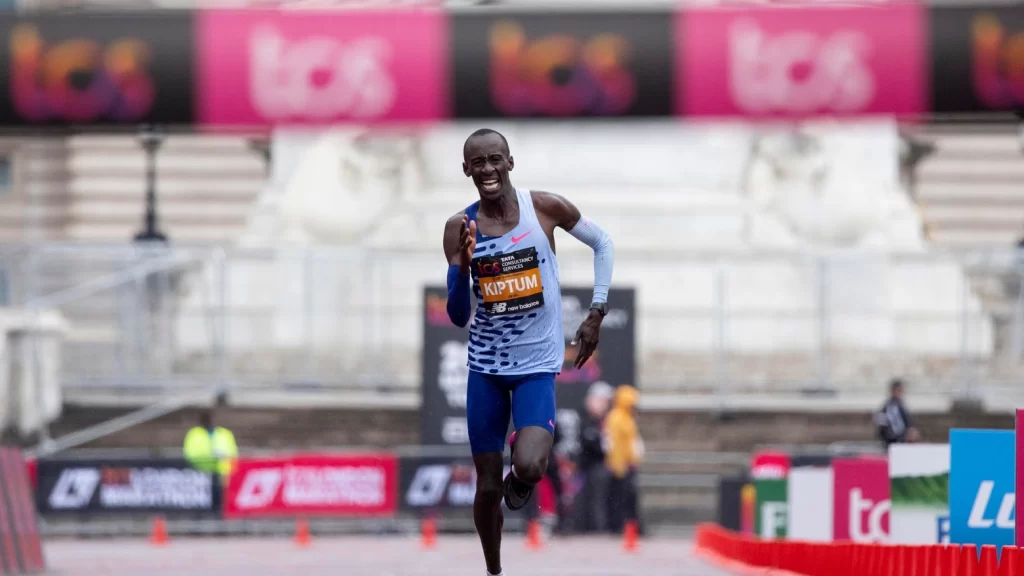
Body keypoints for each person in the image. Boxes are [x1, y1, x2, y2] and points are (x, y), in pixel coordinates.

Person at [443, 128, 615, 576]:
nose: (487, 170)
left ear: (510, 162)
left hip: (536, 365)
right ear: (466, 170)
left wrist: (596, 311)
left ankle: (517, 480)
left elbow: (604, 243)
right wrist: (461, 267)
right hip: (486, 369)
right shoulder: (460, 227)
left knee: (532, 466)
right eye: (477, 163)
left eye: (495, 160)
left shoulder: (544, 209)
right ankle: (494, 570)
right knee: (484, 489)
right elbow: (459, 315)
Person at [573, 381, 614, 533]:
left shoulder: (605, 420)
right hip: (583, 466)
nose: (606, 405)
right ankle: (584, 528)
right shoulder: (582, 418)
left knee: (599, 499)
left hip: (599, 466)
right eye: (602, 401)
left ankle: (599, 529)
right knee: (582, 499)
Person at [604, 385, 643, 534]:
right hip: (620, 466)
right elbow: (614, 443)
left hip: (628, 464)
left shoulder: (627, 418)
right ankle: (618, 527)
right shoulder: (616, 418)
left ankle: (629, 526)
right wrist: (618, 464)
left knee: (628, 497)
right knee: (619, 497)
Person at [183, 407, 239, 480]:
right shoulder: (194, 433)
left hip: (222, 474)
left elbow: (233, 454)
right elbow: (189, 454)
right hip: (201, 473)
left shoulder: (225, 434)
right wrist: (209, 457)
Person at [875, 378, 920, 449]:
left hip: (899, 442)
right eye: (899, 390)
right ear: (893, 391)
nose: (901, 393)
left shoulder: (900, 405)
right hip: (895, 443)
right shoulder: (890, 407)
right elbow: (884, 428)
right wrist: (903, 436)